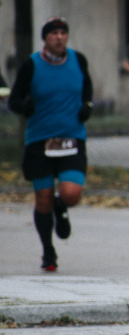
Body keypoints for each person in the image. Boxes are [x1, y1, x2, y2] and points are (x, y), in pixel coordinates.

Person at [7, 17, 94, 272]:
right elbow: (14, 100)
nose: (59, 37)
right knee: (42, 198)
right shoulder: (31, 65)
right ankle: (48, 251)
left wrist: (87, 106)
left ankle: (61, 205)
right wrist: (25, 106)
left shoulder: (78, 60)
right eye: (53, 34)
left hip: (71, 137)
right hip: (40, 140)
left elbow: (87, 87)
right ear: (45, 38)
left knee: (71, 193)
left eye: (62, 33)